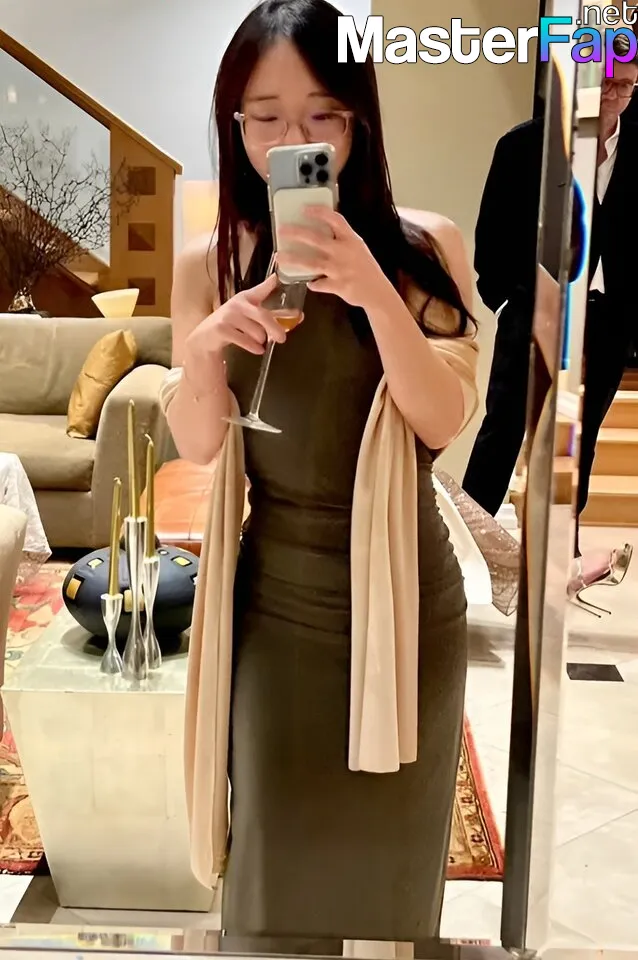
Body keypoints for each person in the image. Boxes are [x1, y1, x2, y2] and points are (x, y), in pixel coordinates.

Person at [162, 0, 480, 945]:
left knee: (391, 879)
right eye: (264, 118)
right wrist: (208, 349)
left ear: (358, 122)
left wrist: (374, 290)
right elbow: (199, 444)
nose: (291, 142)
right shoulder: (209, 263)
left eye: (321, 117)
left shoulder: (426, 246)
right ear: (235, 125)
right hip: (276, 611)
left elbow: (441, 421)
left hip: (408, 604)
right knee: (272, 862)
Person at [463, 32, 638, 553]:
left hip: (609, 315)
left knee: (581, 435)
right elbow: (491, 236)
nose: (613, 96)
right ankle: (466, 544)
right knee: (504, 429)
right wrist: (508, 301)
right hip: (534, 308)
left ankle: (561, 543)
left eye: (626, 86)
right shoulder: (523, 146)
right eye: (605, 83)